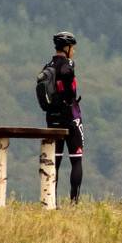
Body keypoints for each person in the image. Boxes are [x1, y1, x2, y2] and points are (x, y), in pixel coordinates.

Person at [43, 31, 84, 205]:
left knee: (55, 161)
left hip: (52, 117)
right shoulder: (68, 64)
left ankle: (51, 201)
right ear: (66, 48)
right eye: (72, 48)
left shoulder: (47, 66)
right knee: (76, 159)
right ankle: (74, 203)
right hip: (70, 116)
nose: (73, 51)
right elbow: (71, 91)